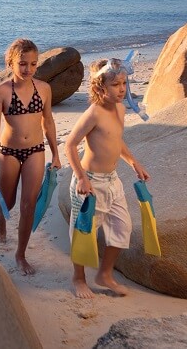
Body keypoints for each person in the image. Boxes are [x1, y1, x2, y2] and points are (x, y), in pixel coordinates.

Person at [64, 58, 150, 298]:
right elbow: (70, 145)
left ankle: (105, 274)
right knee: (84, 233)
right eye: (115, 85)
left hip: (113, 180)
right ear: (99, 87)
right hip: (89, 183)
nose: (122, 89)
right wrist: (81, 177)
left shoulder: (120, 109)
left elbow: (116, 140)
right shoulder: (94, 113)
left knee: (123, 227)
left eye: (124, 83)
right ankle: (78, 278)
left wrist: (133, 162)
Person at [0, 38, 61, 275]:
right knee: (8, 203)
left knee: (29, 204)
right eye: (23, 64)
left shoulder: (44, 89)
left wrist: (56, 154)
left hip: (35, 150)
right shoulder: (2, 91)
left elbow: (48, 122)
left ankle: (20, 254)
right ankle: (1, 218)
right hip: (9, 152)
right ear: (11, 63)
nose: (28, 69)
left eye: (33, 64)